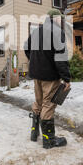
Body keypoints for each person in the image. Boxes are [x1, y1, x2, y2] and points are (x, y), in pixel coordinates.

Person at [24, 9, 71, 149]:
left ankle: (34, 133)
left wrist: (35, 61)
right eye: (60, 18)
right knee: (48, 104)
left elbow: (26, 48)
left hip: (36, 74)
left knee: (39, 102)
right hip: (50, 76)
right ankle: (49, 139)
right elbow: (61, 57)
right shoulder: (58, 32)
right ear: (55, 19)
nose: (61, 21)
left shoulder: (36, 31)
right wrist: (66, 78)